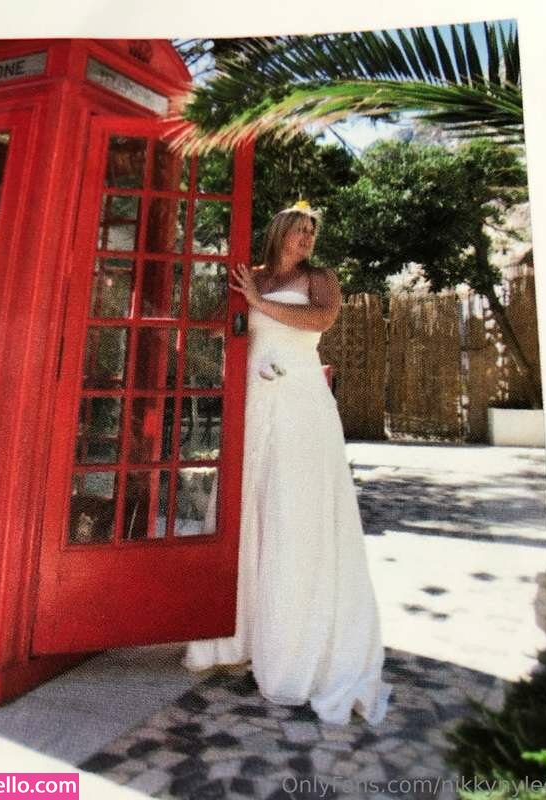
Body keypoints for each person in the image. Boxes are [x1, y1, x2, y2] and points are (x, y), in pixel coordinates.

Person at [182, 203, 392, 726]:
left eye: (311, 233)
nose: (306, 240)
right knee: (246, 505)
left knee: (293, 508)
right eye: (299, 231)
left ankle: (295, 644)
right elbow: (225, 327)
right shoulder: (251, 276)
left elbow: (321, 319)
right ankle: (236, 634)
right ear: (278, 232)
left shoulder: (320, 278)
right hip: (255, 400)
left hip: (300, 402)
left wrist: (259, 303)